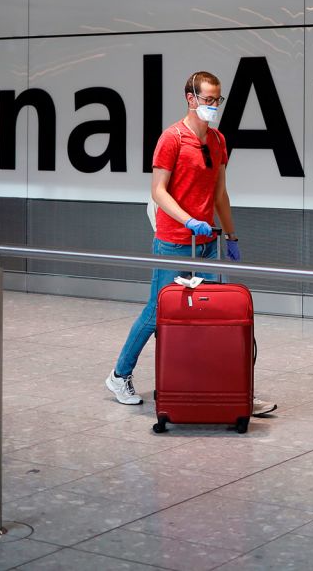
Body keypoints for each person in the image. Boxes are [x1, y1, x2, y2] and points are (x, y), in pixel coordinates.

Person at [105, 70, 275, 417]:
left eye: (217, 100)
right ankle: (119, 375)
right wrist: (188, 221)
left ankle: (227, 390)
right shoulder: (172, 139)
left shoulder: (218, 141)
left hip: (206, 242)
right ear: (190, 98)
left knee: (213, 318)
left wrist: (231, 234)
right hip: (174, 241)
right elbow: (158, 191)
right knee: (157, 312)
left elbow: (220, 193)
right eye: (207, 99)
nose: (213, 106)